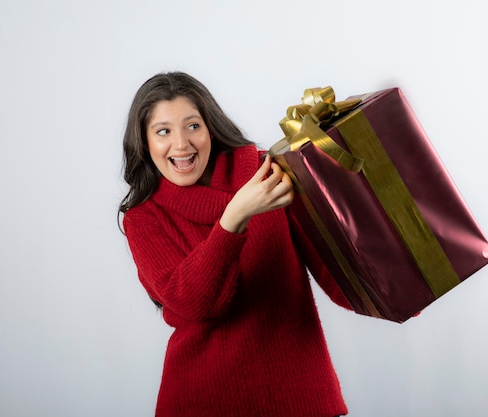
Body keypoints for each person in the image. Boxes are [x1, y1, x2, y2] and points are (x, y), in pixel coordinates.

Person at [119, 71, 352, 417]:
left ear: (210, 127)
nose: (181, 144)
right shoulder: (144, 217)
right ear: (144, 141)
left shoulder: (267, 175)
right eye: (163, 131)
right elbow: (194, 303)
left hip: (302, 397)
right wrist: (234, 217)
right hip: (202, 401)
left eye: (193, 126)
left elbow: (337, 274)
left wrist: (411, 277)